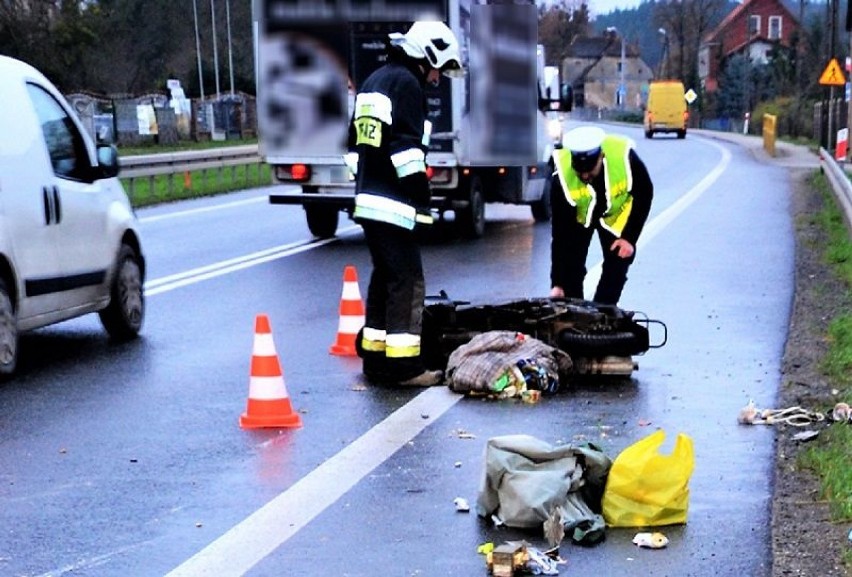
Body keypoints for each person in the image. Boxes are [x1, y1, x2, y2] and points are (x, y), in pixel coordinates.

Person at [347, 21, 463, 387]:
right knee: (408, 281)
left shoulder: (375, 80)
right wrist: (422, 199)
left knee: (385, 278)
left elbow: (354, 147)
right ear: (427, 55)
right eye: (438, 70)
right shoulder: (407, 86)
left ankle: (376, 361)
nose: (436, 79)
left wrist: (368, 182)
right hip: (394, 202)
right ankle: (405, 368)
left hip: (368, 198)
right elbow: (407, 153)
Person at [549, 125, 654, 305]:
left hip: (614, 214)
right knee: (570, 269)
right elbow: (560, 234)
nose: (585, 175)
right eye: (580, 172)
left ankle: (603, 315)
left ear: (601, 156)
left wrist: (629, 238)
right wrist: (557, 282)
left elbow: (645, 193)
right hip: (581, 217)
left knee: (618, 262)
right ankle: (576, 315)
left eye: (590, 171)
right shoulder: (561, 177)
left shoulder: (624, 157)